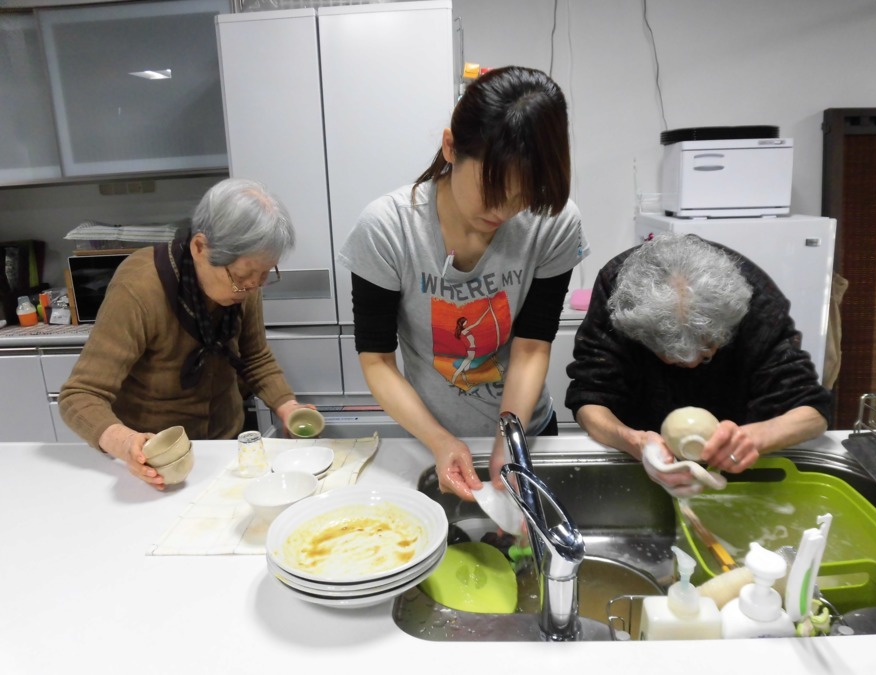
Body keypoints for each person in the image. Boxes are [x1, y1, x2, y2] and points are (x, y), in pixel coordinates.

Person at [337, 65, 589, 500]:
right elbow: (377, 360)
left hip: (526, 429)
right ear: (451, 147)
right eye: (493, 191)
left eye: (523, 195)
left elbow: (531, 345)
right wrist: (439, 440)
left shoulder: (553, 222)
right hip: (432, 433)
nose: (506, 212)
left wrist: (509, 442)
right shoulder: (387, 228)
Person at [60, 178, 316, 490]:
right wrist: (126, 443)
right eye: (242, 276)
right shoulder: (139, 288)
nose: (251, 286)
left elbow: (254, 358)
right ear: (199, 247)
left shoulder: (246, 286)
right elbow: (80, 395)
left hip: (225, 450)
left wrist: (287, 406)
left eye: (264, 275)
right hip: (156, 464)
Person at [565, 232, 831, 496]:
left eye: (707, 350)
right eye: (671, 356)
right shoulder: (618, 293)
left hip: (735, 466)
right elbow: (590, 398)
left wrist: (754, 438)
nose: (692, 364)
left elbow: (813, 414)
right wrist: (634, 442)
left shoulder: (753, 302)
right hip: (639, 462)